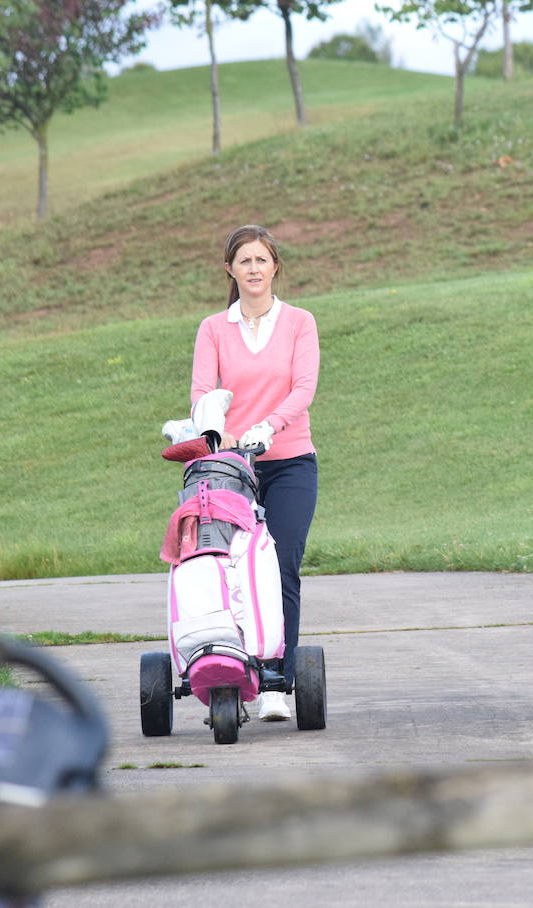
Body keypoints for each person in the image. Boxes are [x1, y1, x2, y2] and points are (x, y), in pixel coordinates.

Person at [190, 224, 320, 722]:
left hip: (289, 460)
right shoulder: (213, 329)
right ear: (230, 269)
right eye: (244, 261)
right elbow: (203, 391)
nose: (253, 270)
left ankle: (275, 681)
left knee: (281, 564)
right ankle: (231, 669)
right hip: (232, 469)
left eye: (261, 261)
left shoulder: (299, 322)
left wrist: (270, 425)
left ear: (275, 266)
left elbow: (303, 386)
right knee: (227, 568)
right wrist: (215, 431)